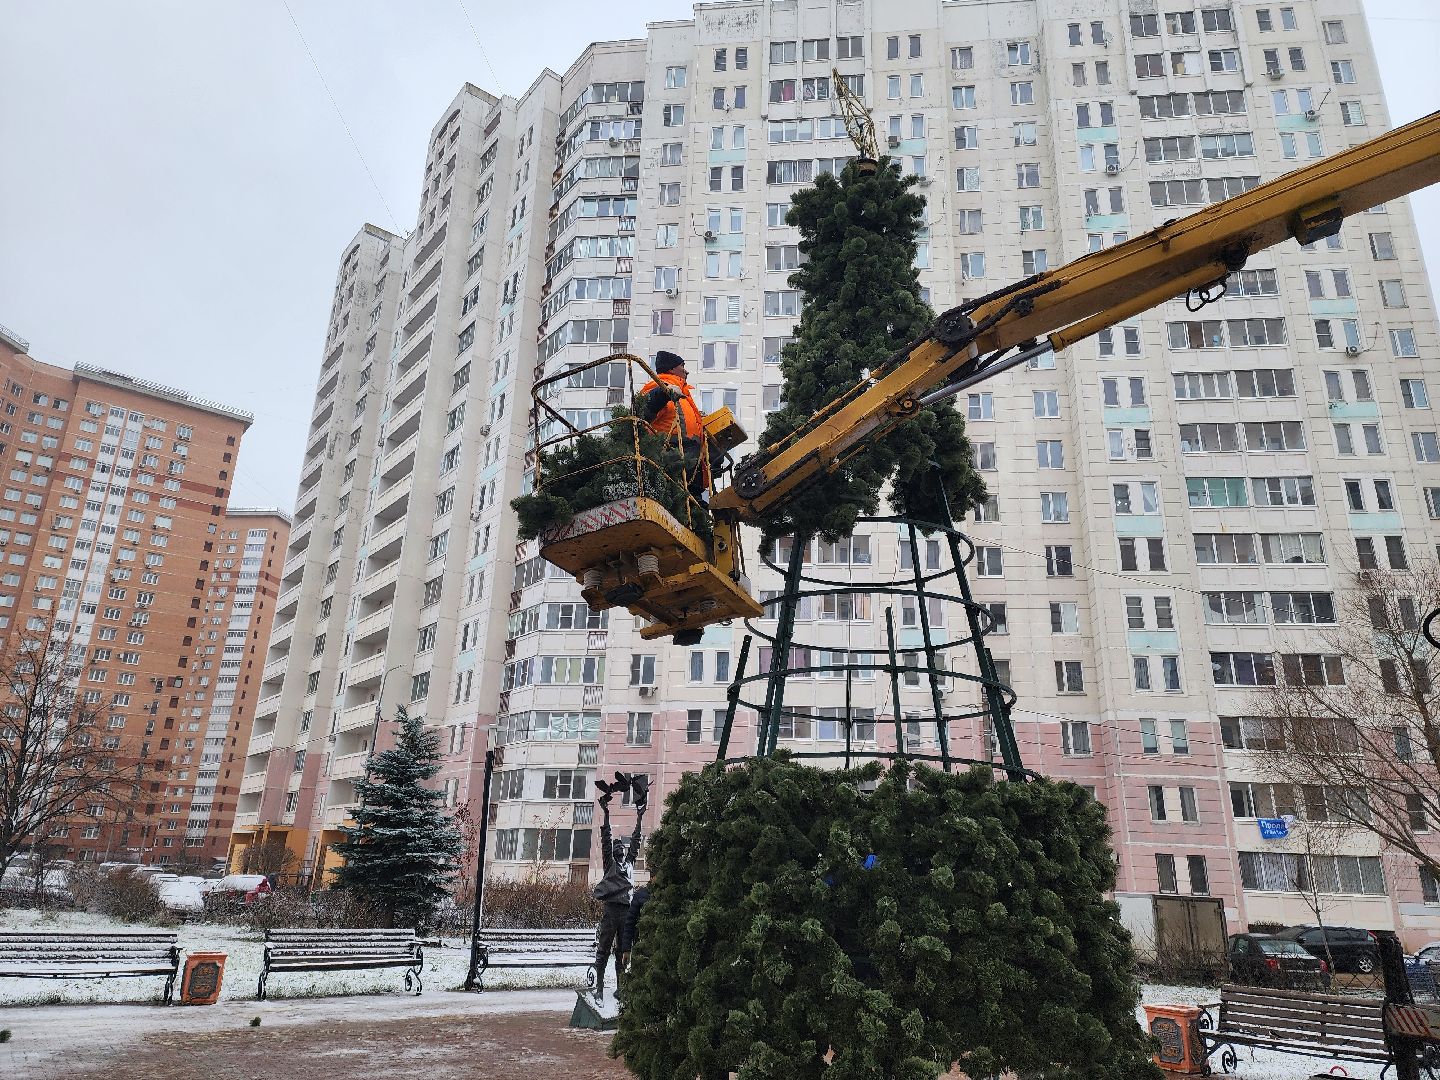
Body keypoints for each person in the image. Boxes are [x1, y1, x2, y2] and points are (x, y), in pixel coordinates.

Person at [590, 772, 648, 1002]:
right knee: (603, 951)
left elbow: (636, 840)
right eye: (616, 850)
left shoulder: (630, 863)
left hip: (626, 911)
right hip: (611, 911)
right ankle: (599, 989)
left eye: (620, 849)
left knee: (622, 952)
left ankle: (622, 989)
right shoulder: (609, 866)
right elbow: (606, 837)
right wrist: (605, 812)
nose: (619, 851)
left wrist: (640, 817)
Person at [640, 350, 716, 499]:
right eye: (682, 366)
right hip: (671, 459)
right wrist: (662, 393)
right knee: (680, 499)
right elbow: (644, 409)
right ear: (671, 369)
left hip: (690, 464)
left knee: (695, 504)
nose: (686, 371)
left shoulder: (683, 395)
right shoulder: (659, 386)